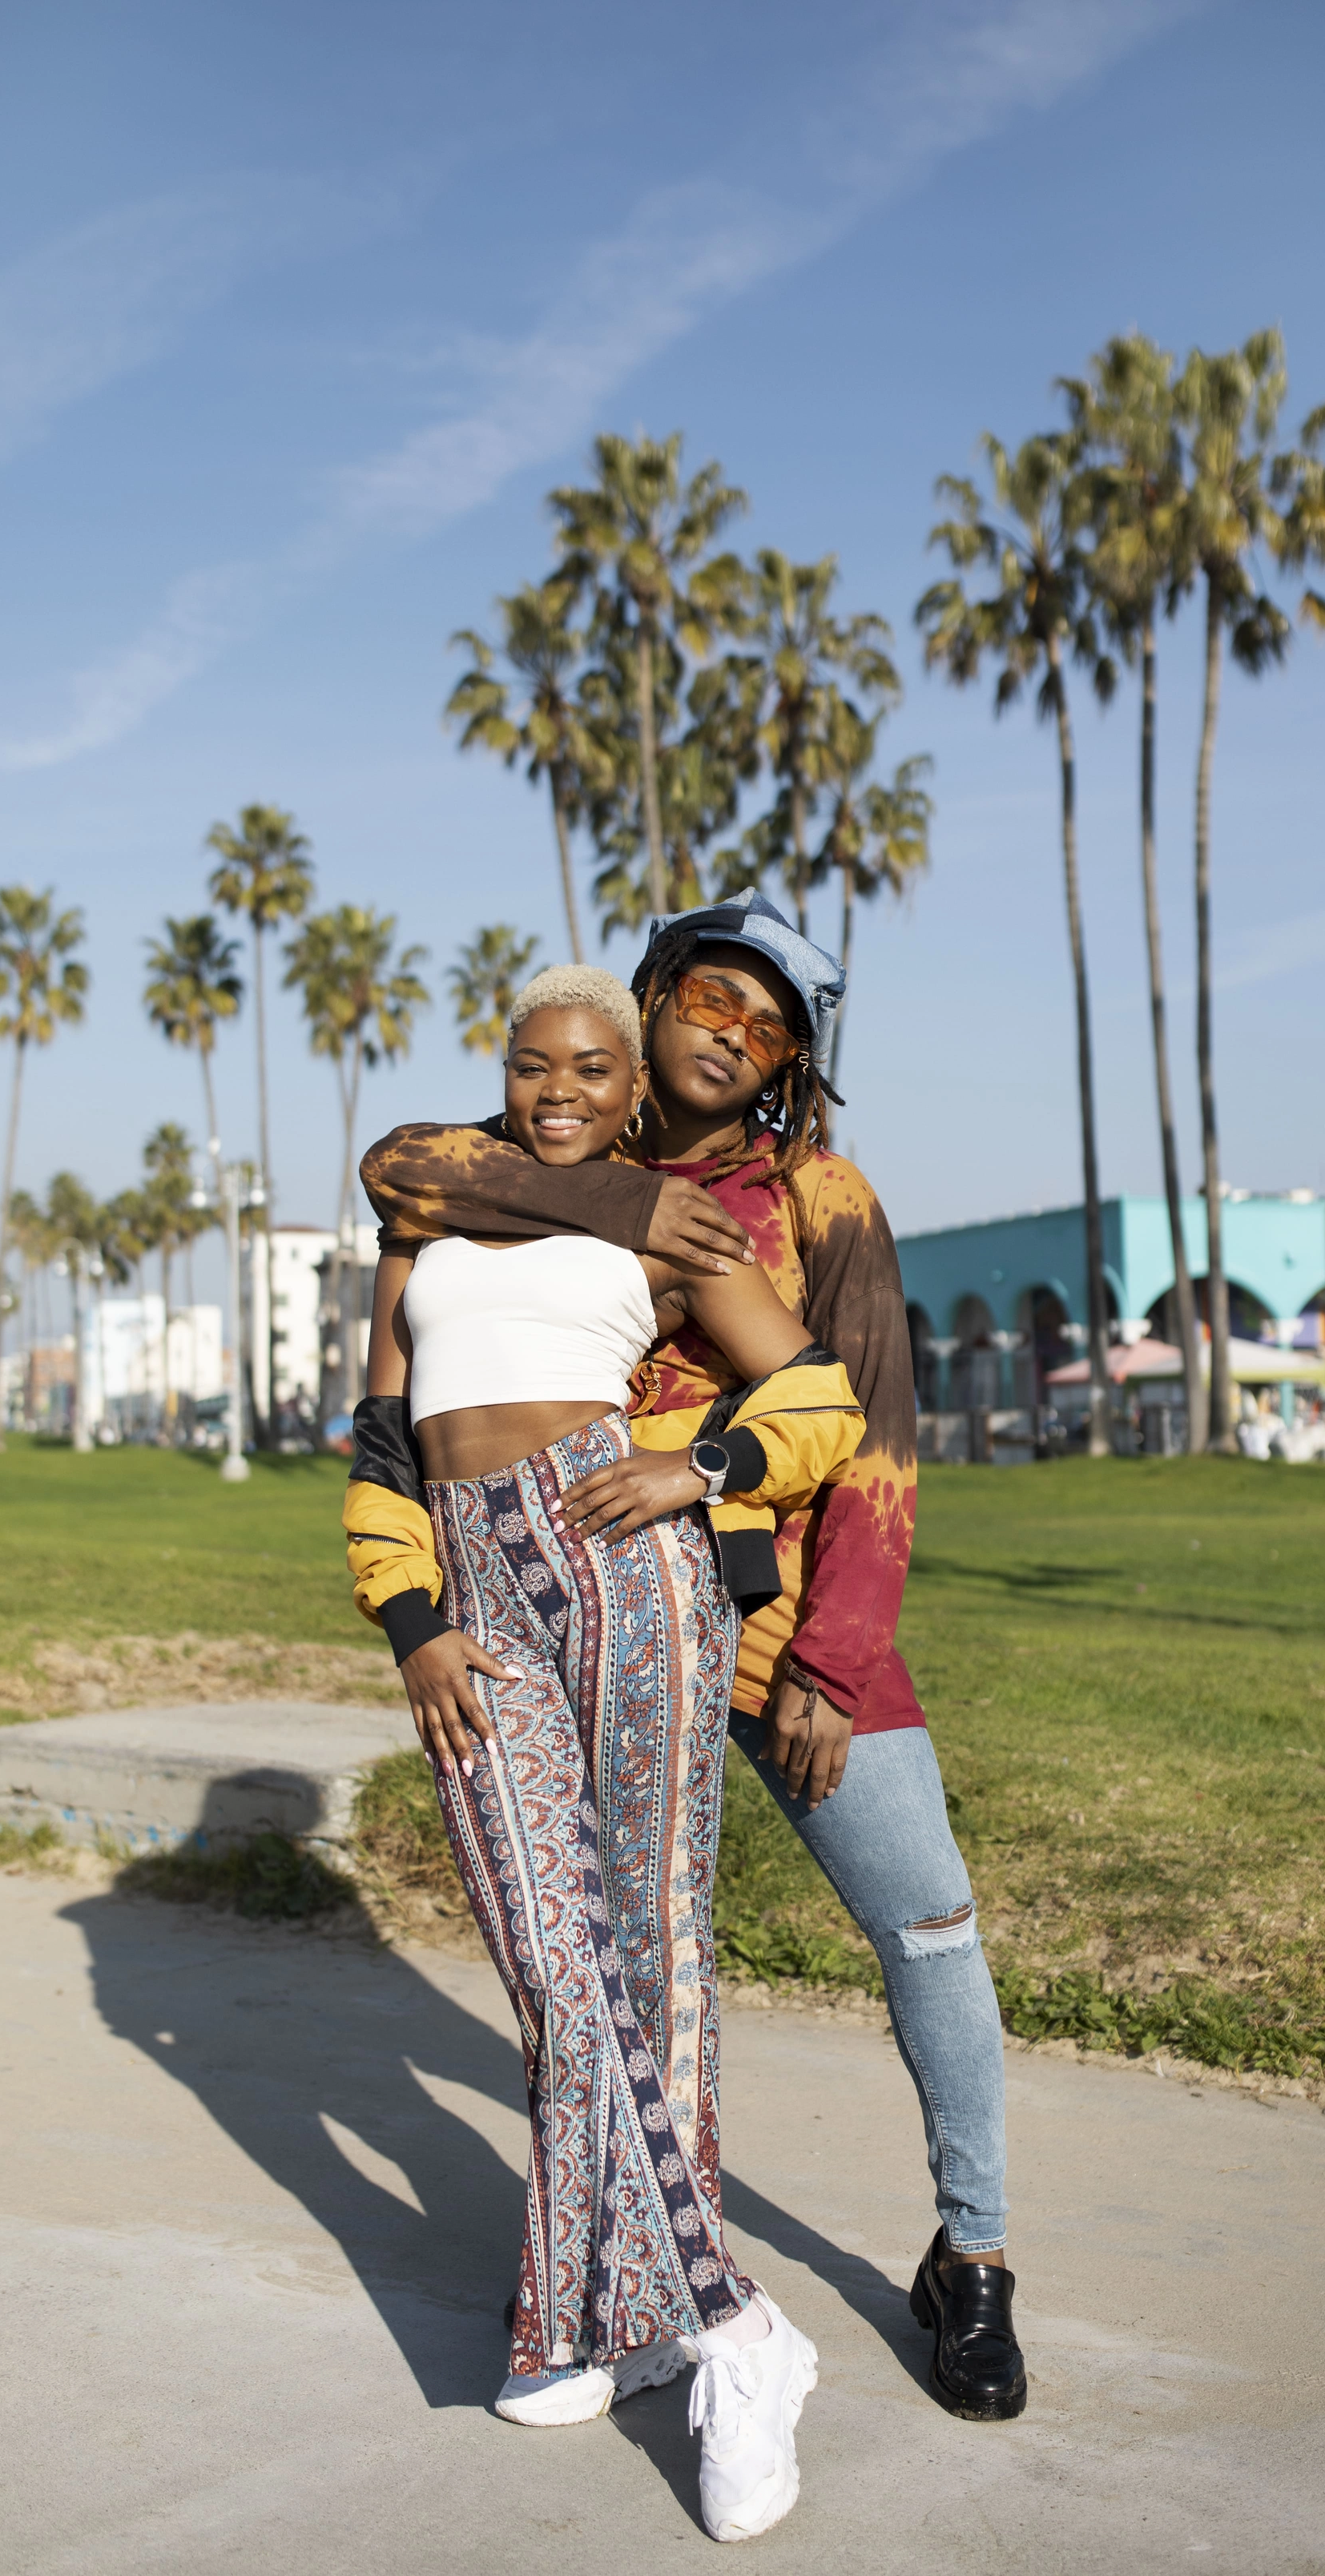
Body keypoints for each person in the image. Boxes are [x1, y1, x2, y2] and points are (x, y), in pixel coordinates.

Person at [362, 890, 1025, 2428]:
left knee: (927, 1921)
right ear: (652, 999)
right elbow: (400, 1165)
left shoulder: (822, 1194)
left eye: (773, 1027)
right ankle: (619, 2283)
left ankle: (974, 2257)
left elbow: (875, 1432)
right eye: (715, 1000)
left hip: (775, 1619)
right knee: (603, 1949)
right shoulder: (541, 1155)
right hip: (580, 1601)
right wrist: (609, 1206)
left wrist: (833, 1662)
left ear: (797, 1064)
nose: (736, 1035)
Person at [344, 964, 865, 2544]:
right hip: (476, 1595)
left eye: (589, 1064)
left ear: (632, 1089)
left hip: (625, 1562)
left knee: (648, 1960)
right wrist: (413, 1622)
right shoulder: (431, 1210)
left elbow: (822, 1397)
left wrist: (695, 1464)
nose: (557, 1084)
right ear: (505, 1074)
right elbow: (378, 1438)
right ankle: (735, 2326)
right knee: (555, 1965)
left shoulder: (670, 1225)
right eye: (531, 1061)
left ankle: (605, 2321)